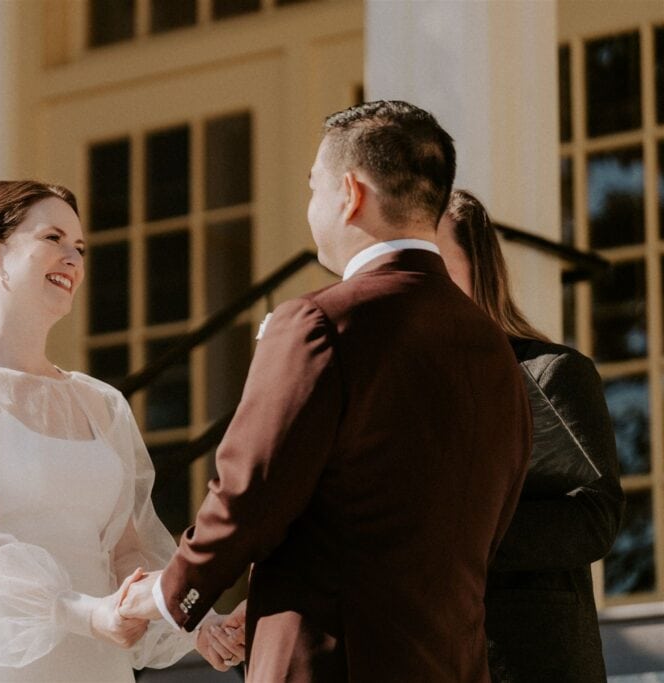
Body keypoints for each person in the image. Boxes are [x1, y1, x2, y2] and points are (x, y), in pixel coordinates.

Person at [119, 101, 532, 682]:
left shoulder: (320, 323)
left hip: (332, 664)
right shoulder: (495, 349)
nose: (310, 205)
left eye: (313, 186)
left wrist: (170, 593)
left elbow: (251, 491)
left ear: (349, 193)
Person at [0, 180, 244, 682]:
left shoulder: (100, 403)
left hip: (95, 661)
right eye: (53, 239)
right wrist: (83, 613)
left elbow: (129, 551)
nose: (73, 259)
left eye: (79, 247)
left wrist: (197, 620)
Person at [435, 189, 624, 682]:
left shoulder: (548, 373)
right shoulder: (378, 391)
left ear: (481, 269)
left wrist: (456, 537)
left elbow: (592, 517)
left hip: (529, 659)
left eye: (437, 266)